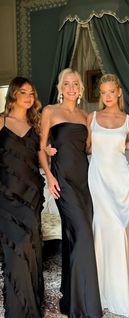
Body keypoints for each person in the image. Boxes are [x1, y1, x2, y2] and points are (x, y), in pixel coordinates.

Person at [39, 68, 102, 318]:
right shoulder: (50, 111)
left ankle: (69, 297)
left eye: (76, 84)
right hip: (63, 181)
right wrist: (50, 175)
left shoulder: (85, 116)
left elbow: (86, 149)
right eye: (67, 83)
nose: (72, 87)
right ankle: (83, 305)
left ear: (81, 89)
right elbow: (41, 147)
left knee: (74, 237)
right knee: (84, 236)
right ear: (60, 87)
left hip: (85, 182)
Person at [86, 74, 129, 316]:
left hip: (120, 180)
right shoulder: (92, 118)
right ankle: (102, 292)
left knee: (120, 229)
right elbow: (86, 148)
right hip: (98, 179)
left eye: (111, 91)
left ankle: (120, 292)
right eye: (103, 92)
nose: (107, 96)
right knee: (103, 230)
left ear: (119, 91)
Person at [0, 77, 44, 317]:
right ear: (14, 94)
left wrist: (47, 152)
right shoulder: (1, 121)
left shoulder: (36, 124)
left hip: (32, 194)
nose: (28, 97)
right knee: (15, 249)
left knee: (31, 248)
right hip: (6, 195)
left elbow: (39, 158)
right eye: (23, 92)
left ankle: (33, 306)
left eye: (31, 93)